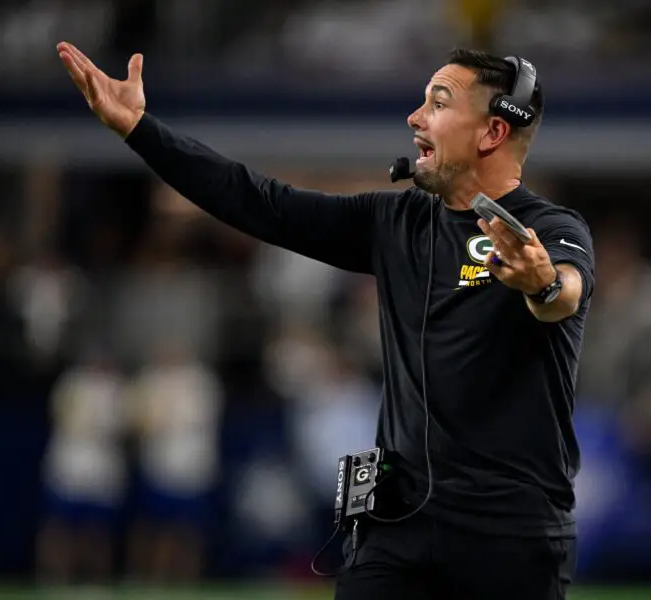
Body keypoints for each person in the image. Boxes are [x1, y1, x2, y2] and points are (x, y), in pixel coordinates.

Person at [56, 41, 596, 600]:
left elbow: (564, 291)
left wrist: (542, 283)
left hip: (508, 534)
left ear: (492, 133)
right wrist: (140, 130)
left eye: (438, 102)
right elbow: (259, 201)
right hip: (396, 524)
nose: (415, 117)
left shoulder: (550, 228)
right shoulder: (395, 222)